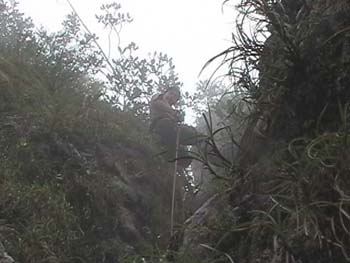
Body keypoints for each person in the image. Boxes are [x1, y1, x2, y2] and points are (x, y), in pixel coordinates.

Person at [150, 86, 199, 169]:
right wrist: (174, 112)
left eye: (175, 97)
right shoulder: (159, 97)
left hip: (170, 133)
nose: (172, 97)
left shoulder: (172, 111)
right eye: (171, 93)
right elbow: (157, 103)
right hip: (159, 126)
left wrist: (178, 117)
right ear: (166, 93)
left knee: (185, 157)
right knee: (168, 124)